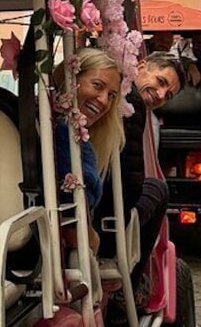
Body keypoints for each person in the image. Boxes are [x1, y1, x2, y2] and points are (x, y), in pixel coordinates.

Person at [96, 51, 184, 315]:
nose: (160, 95)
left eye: (167, 95)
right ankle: (129, 285)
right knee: (158, 189)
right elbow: (131, 188)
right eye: (160, 82)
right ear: (141, 66)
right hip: (107, 220)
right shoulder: (130, 103)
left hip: (95, 207)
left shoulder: (122, 97)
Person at [53, 48, 124, 251]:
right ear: (70, 79)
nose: (103, 101)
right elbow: (74, 228)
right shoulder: (68, 138)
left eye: (111, 96)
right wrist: (94, 240)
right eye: (97, 86)